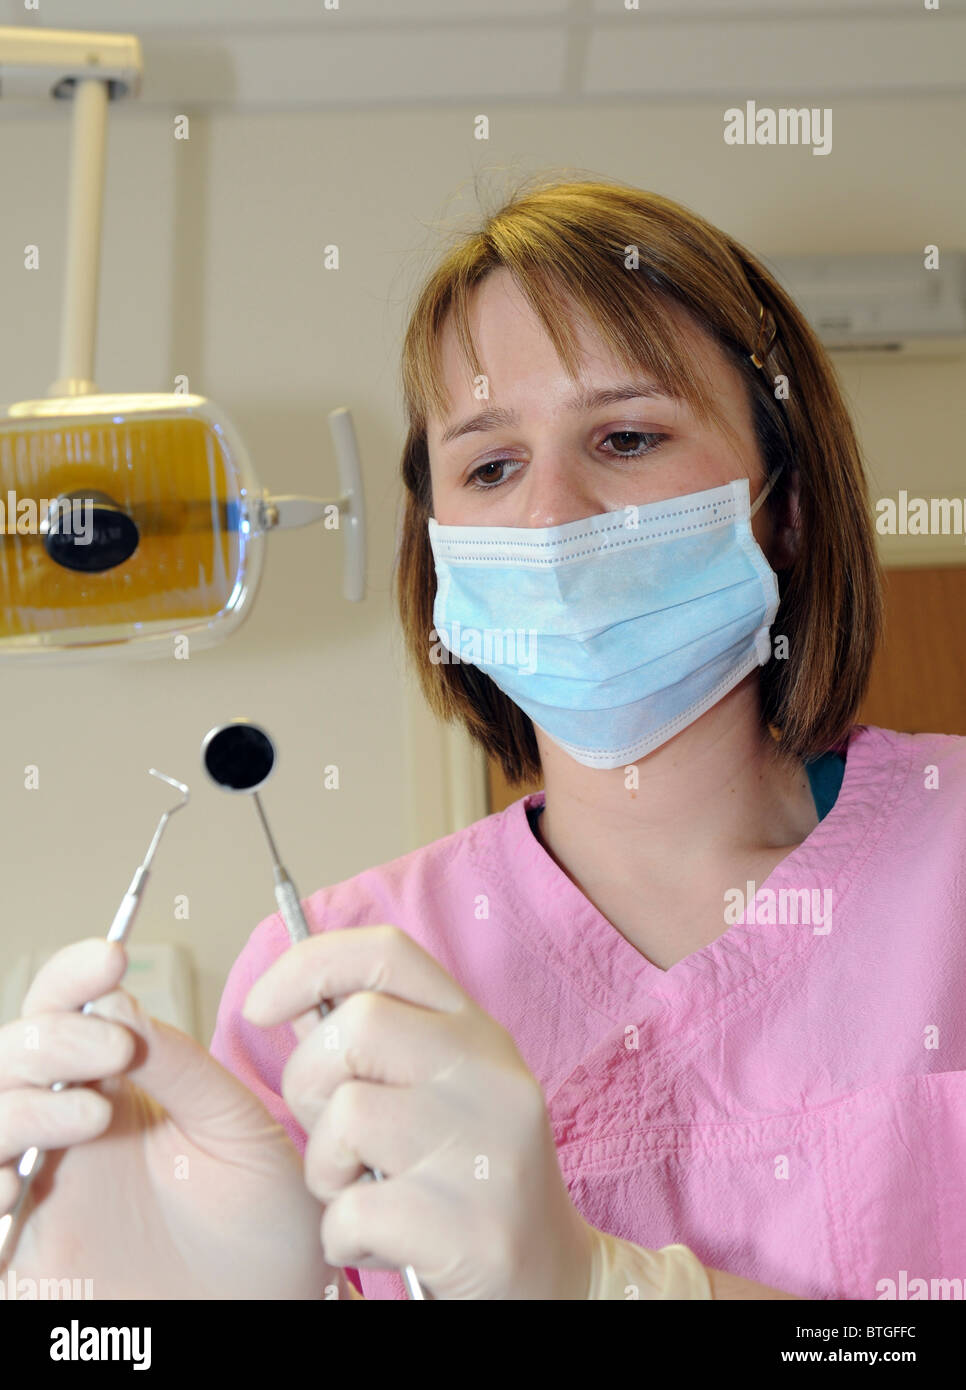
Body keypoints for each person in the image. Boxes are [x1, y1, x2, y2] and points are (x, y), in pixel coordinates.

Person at [3, 176, 965, 1301]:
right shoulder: (328, 974)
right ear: (441, 551)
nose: (551, 516)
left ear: (787, 508)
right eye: (491, 466)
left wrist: (612, 1289)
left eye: (626, 435)